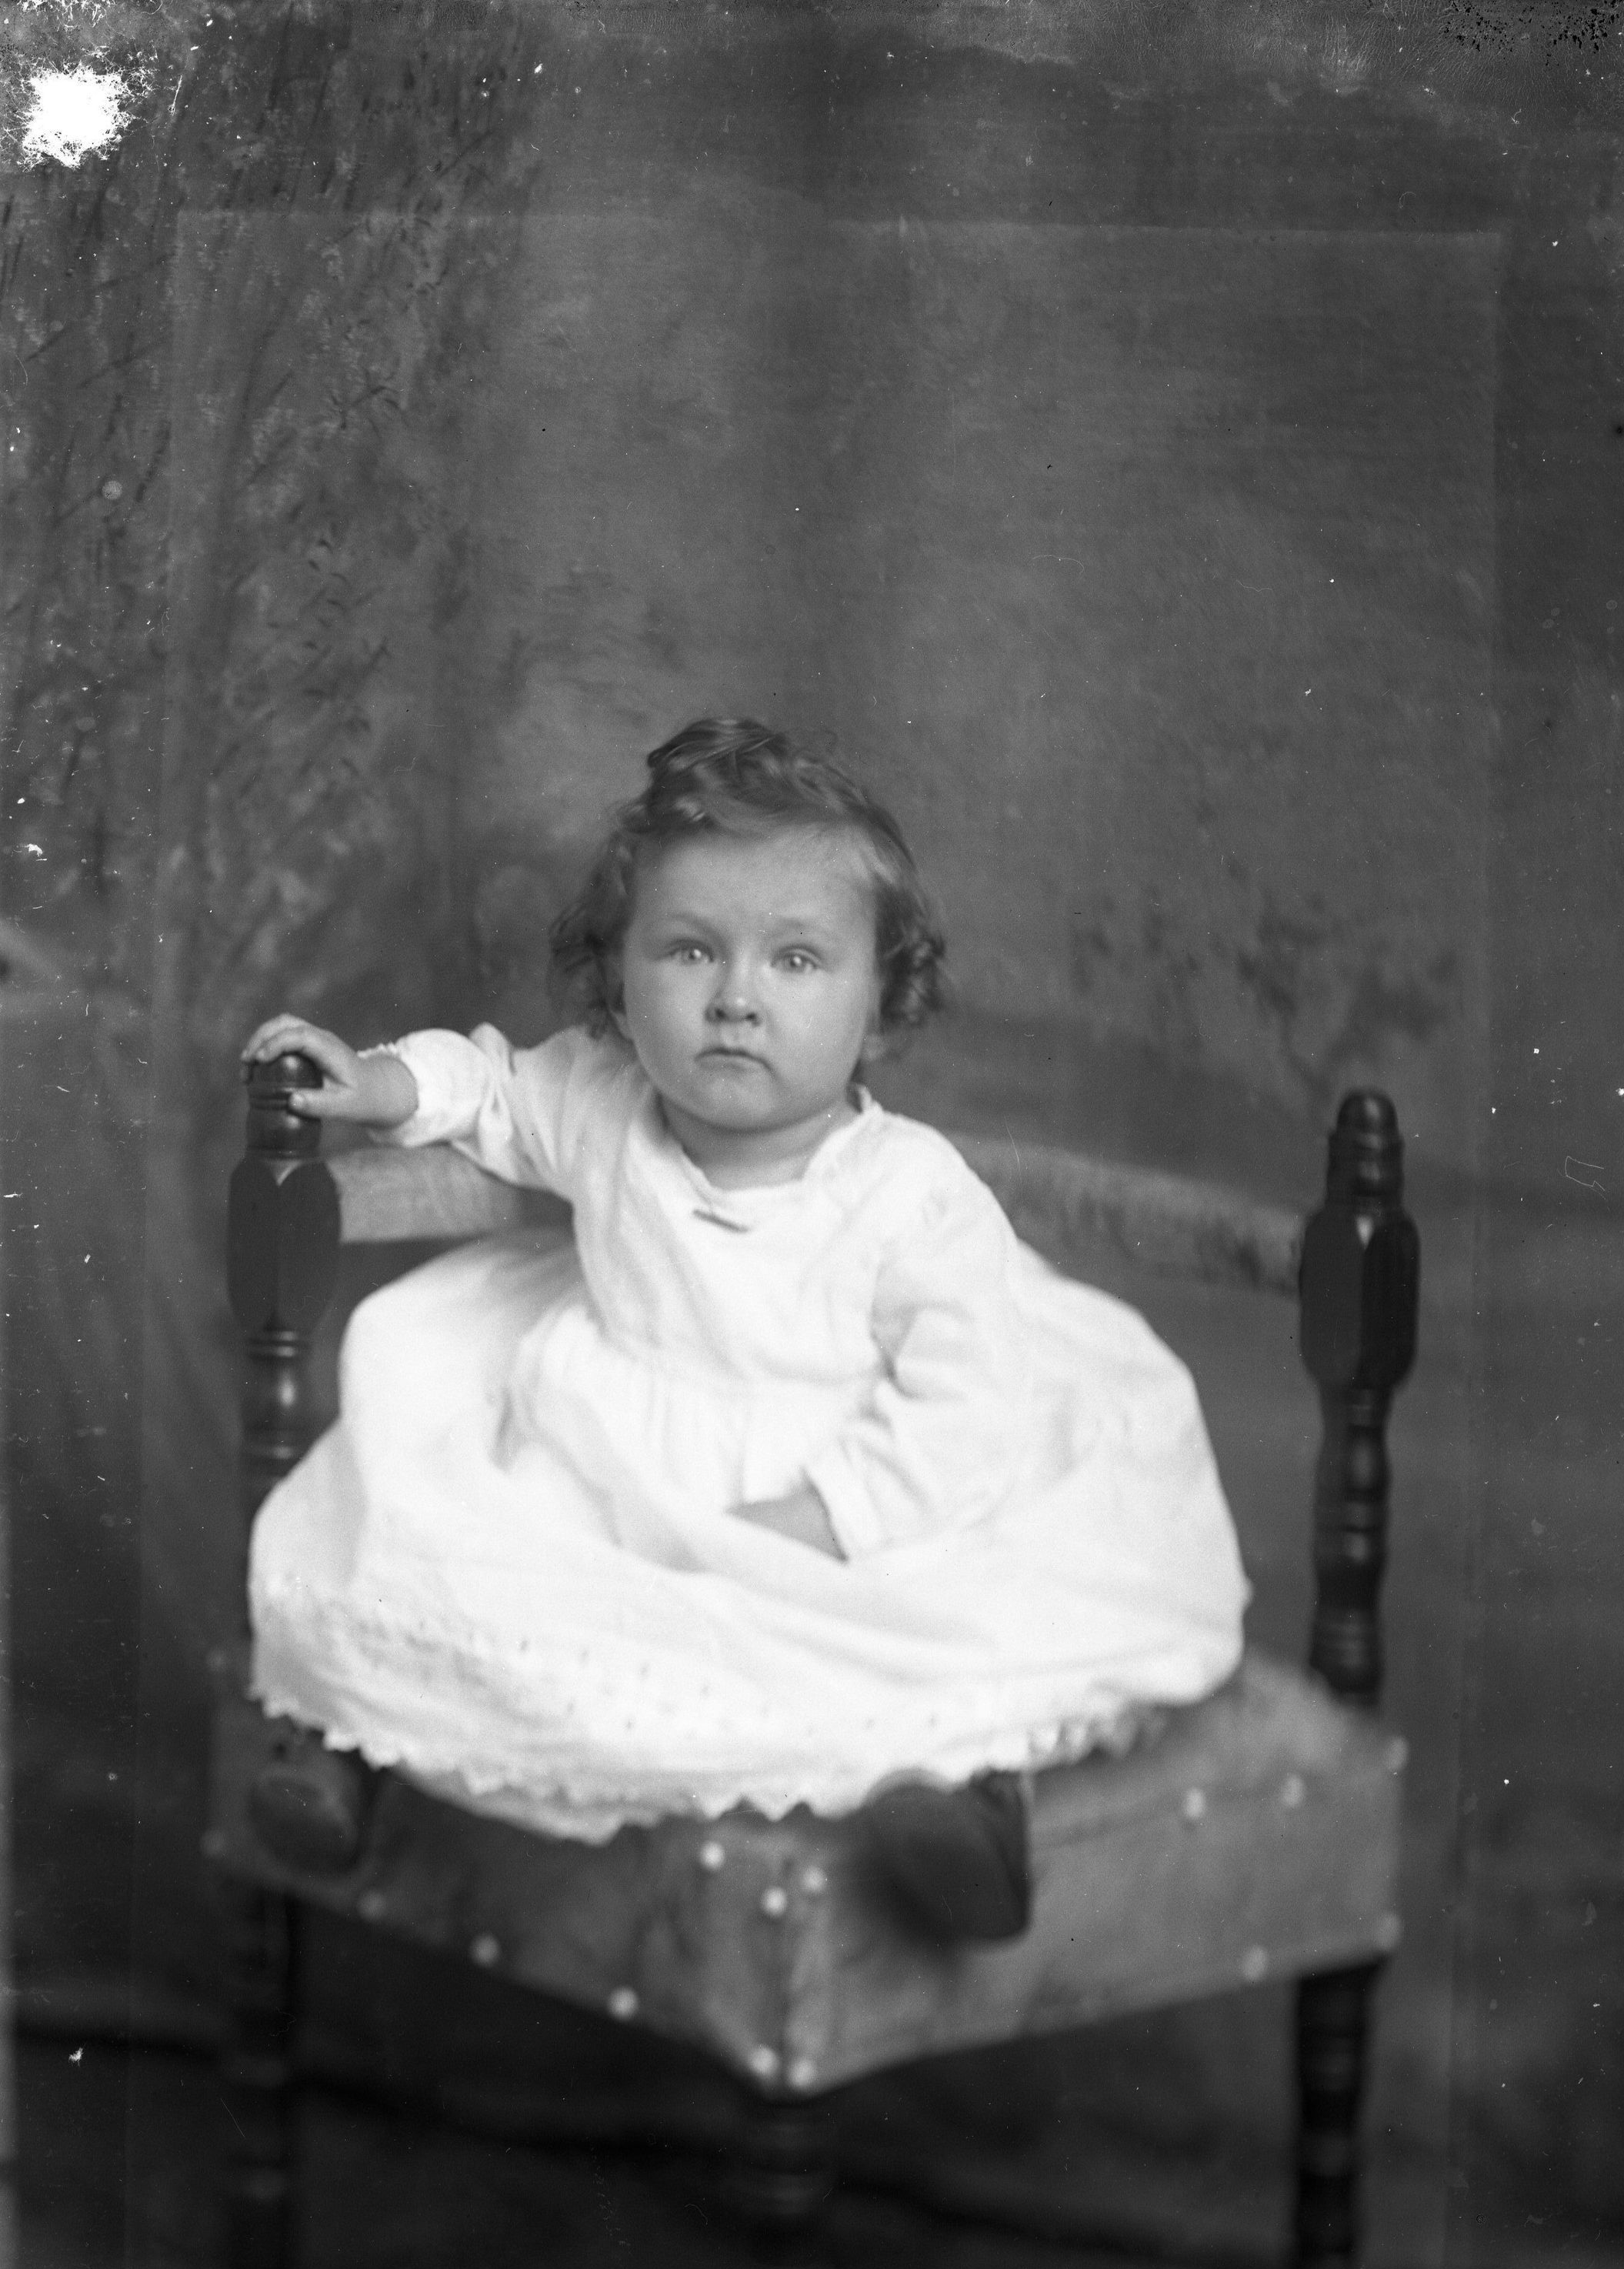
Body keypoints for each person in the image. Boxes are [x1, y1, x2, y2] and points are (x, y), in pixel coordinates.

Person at [240, 719, 1249, 1943]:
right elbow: (493, 1088)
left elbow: (967, 1402)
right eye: (689, 951)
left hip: (861, 1482)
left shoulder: (911, 1194)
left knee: (941, 1633)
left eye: (797, 961)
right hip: (620, 1467)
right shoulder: (603, 1105)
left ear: (880, 1004)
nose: (734, 998)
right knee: (458, 1561)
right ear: (619, 983)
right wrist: (380, 1081)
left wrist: (834, 1513)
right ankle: (345, 1748)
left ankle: (965, 1798)